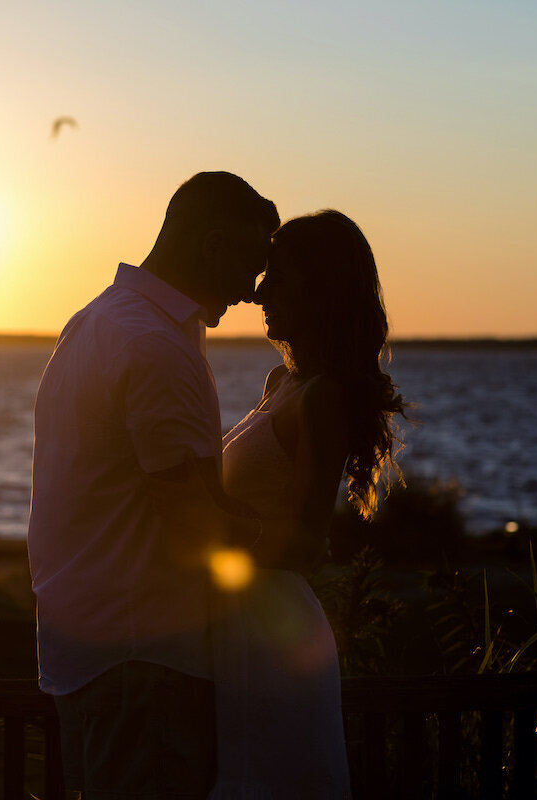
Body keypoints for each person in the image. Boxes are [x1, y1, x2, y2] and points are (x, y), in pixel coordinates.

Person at [27, 171, 279, 799]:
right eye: (250, 264)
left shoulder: (95, 323)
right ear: (212, 245)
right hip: (146, 662)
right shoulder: (155, 347)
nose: (252, 292)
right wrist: (283, 544)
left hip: (86, 649)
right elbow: (194, 524)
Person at [210, 209, 406, 798]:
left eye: (278, 276)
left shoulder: (322, 398)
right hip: (235, 623)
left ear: (318, 288)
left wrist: (200, 538)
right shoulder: (280, 384)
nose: (259, 290)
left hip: (272, 633)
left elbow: (304, 541)